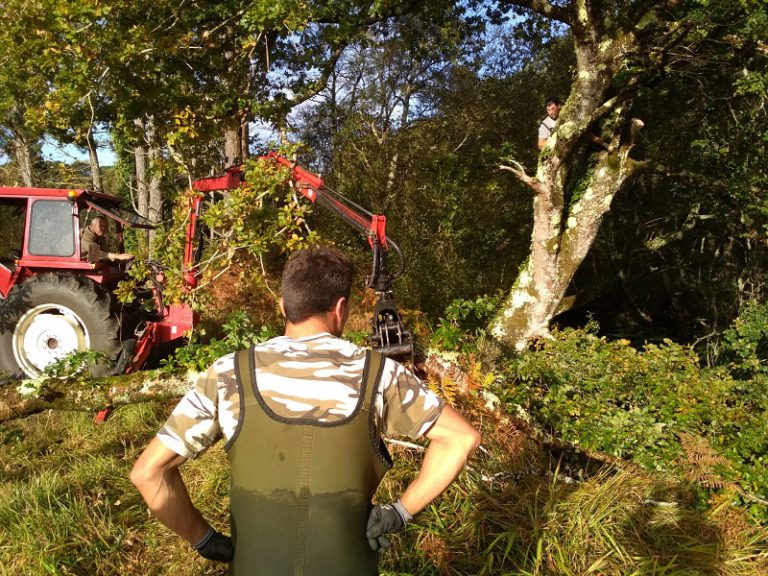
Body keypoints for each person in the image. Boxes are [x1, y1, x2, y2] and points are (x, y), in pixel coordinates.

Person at [130, 245, 481, 575]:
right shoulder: (379, 374)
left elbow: (148, 473)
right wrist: (400, 512)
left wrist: (207, 540)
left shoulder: (227, 374)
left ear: (283, 306)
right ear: (340, 308)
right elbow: (460, 439)